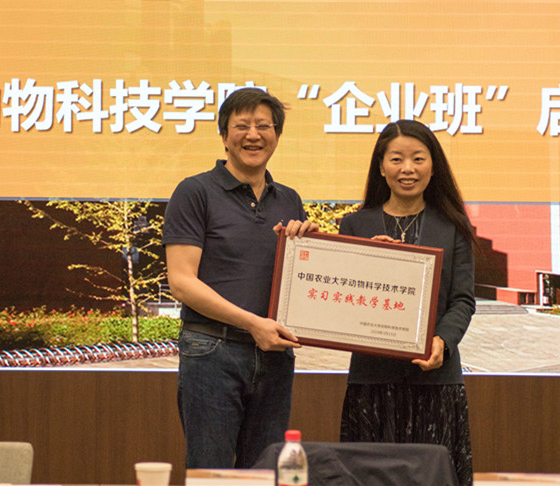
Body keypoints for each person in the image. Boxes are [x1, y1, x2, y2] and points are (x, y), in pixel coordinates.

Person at [162, 87, 317, 469]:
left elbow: (302, 281)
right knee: (210, 470)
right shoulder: (195, 191)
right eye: (242, 125)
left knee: (266, 470)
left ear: (277, 135)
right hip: (212, 351)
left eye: (264, 126)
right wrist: (252, 324)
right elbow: (181, 282)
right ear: (224, 135)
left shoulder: (289, 200)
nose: (253, 135)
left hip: (275, 356)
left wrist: (315, 249)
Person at [338, 119, 476, 486]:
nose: (408, 169)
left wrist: (442, 342)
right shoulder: (354, 226)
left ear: (433, 165)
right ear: (381, 167)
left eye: (418, 158)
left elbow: (462, 300)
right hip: (371, 381)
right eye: (396, 159)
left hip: (436, 381)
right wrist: (365, 262)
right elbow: (343, 303)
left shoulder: (454, 227)